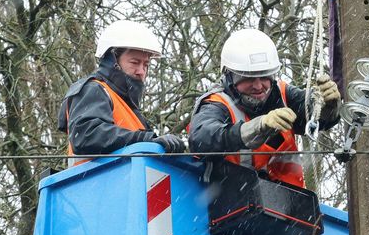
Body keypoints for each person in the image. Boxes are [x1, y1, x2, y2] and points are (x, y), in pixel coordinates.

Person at [189, 28, 341, 187]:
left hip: (292, 204)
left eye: (264, 76)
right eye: (247, 78)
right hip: (235, 204)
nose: (258, 85)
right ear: (229, 76)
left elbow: (315, 117)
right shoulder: (217, 103)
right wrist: (257, 127)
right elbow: (201, 140)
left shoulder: (282, 94)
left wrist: (328, 107)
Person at [58, 20, 186, 162]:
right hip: (95, 182)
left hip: (125, 181)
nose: (141, 71)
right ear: (113, 61)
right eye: (135, 62)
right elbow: (87, 135)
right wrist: (145, 139)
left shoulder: (130, 110)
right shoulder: (93, 89)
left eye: (146, 65)